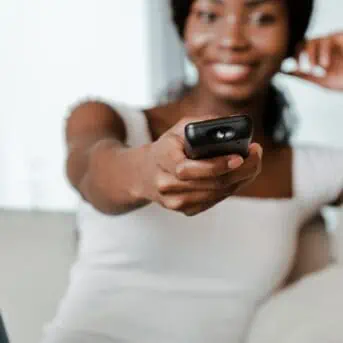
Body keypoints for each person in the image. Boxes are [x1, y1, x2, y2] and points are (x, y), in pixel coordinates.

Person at [42, 0, 343, 342]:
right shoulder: (110, 120)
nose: (231, 39)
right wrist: (148, 172)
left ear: (293, 36)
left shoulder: (309, 170)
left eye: (262, 18)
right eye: (209, 15)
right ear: (184, 26)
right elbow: (91, 173)